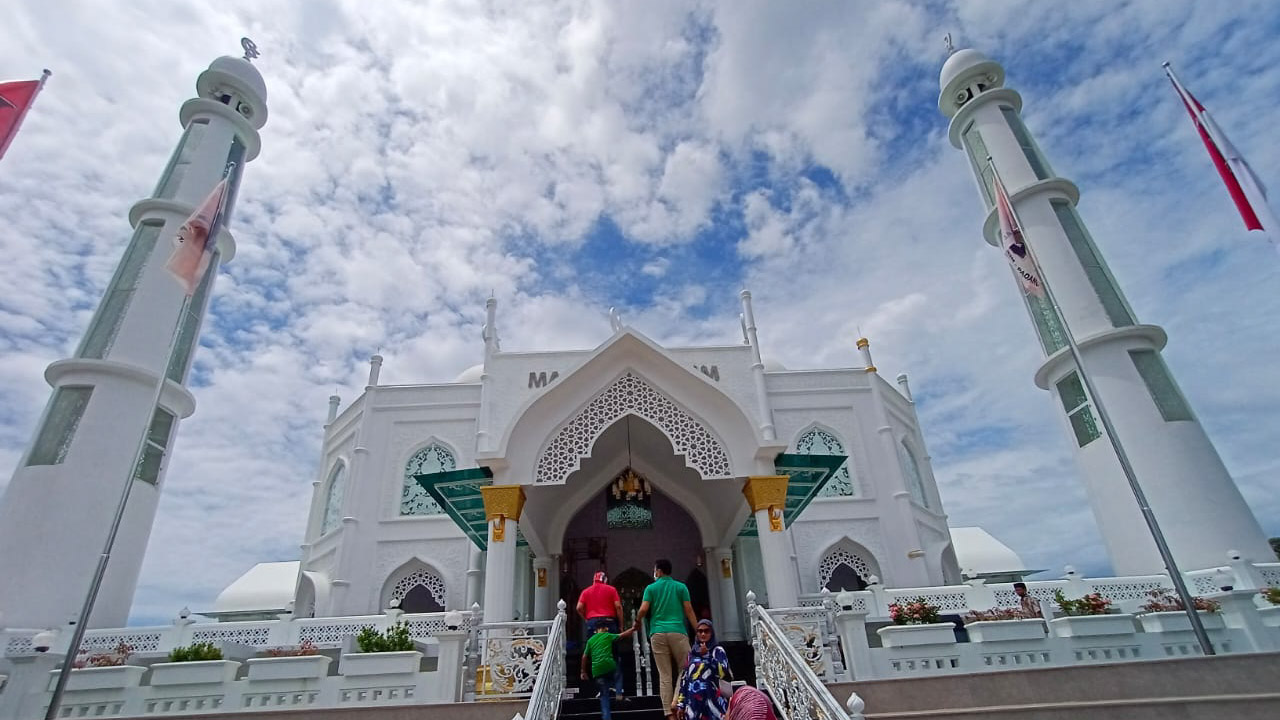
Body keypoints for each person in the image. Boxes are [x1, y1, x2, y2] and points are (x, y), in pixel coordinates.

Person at [634, 558, 699, 720]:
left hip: (657, 633)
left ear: (659, 571)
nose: (654, 573)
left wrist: (637, 622)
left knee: (664, 675)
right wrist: (698, 630)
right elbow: (689, 610)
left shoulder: (651, 588)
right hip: (678, 631)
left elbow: (643, 609)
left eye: (655, 570)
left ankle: (669, 714)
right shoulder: (680, 587)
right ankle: (676, 700)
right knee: (686, 668)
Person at [674, 619, 732, 720]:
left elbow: (722, 672)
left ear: (711, 633)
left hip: (712, 700)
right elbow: (685, 679)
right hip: (693, 703)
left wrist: (707, 656)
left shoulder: (717, 651)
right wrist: (681, 704)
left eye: (706, 631)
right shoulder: (692, 654)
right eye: (700, 631)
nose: (703, 634)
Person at [578, 571, 625, 695]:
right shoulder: (611, 590)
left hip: (593, 624)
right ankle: (615, 686)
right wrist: (621, 625)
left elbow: (579, 607)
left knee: (596, 655)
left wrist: (587, 619)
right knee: (613, 654)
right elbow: (618, 607)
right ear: (605, 580)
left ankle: (601, 688)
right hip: (609, 622)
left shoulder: (586, 592)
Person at [580, 623, 637, 720]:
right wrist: (633, 628)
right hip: (609, 666)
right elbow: (622, 635)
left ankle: (606, 717)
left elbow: (584, 657)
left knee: (604, 696)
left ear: (595, 631)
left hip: (597, 671)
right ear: (605, 628)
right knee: (618, 673)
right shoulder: (607, 635)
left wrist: (583, 671)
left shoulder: (590, 641)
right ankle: (618, 693)